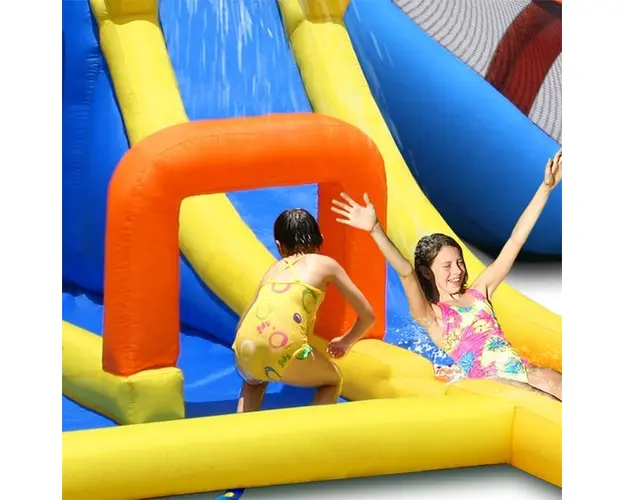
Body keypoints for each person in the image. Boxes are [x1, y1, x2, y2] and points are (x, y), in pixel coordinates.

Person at [331, 149, 563, 401]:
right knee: (535, 395)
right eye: (447, 266)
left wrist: (546, 188)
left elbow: (516, 240)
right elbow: (406, 272)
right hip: (494, 386)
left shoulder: (480, 293)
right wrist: (375, 229)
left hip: (525, 372)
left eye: (459, 262)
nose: (458, 271)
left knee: (549, 376)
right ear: (426, 272)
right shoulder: (432, 316)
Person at [232, 208, 376, 413]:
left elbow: (242, 322)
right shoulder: (327, 264)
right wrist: (346, 341)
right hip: (283, 348)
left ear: (279, 246)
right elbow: (368, 315)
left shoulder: (273, 269)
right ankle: (314, 431)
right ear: (321, 239)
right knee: (332, 380)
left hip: (244, 347)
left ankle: (242, 428)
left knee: (254, 380)